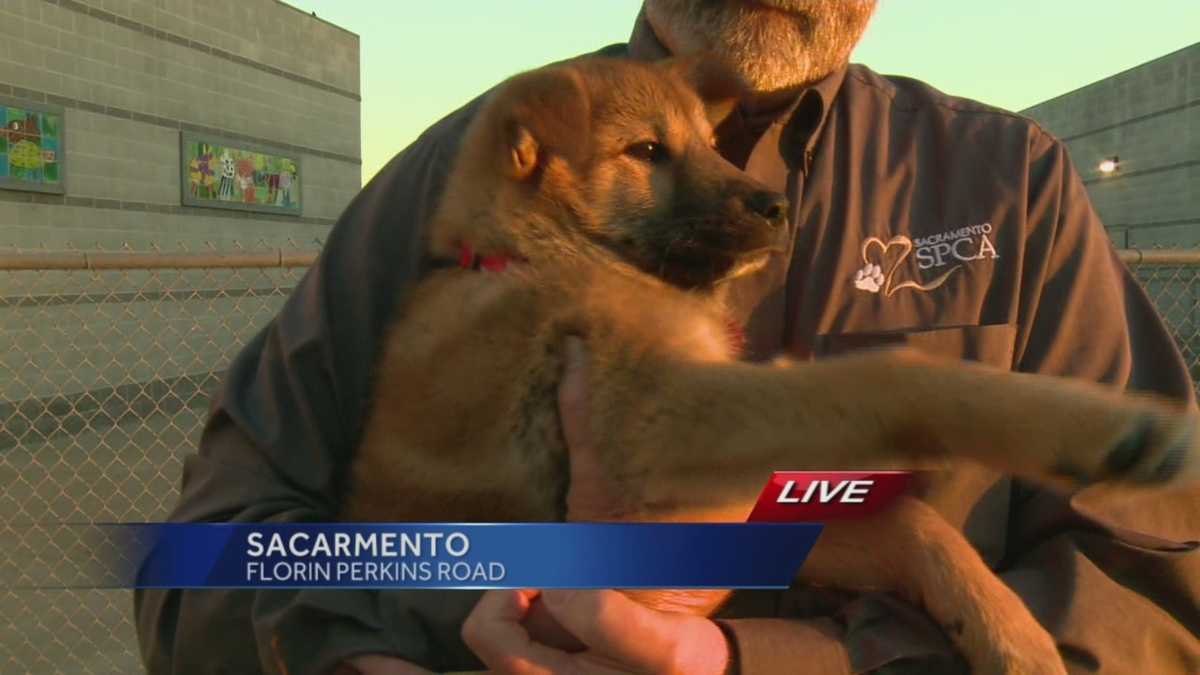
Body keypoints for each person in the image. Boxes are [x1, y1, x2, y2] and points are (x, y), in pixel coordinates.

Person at [135, 2, 1200, 673]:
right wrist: (373, 648)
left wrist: (755, 659)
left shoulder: (1007, 187)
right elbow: (209, 559)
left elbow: (1157, 578)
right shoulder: (456, 182)